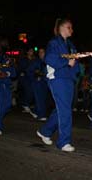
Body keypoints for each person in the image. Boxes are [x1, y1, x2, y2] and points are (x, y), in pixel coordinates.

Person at [36, 18, 79, 152]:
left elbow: (74, 62)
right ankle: (63, 142)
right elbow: (49, 59)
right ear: (61, 28)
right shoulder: (54, 42)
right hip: (57, 78)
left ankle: (45, 131)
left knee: (63, 108)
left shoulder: (71, 44)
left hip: (68, 78)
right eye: (69, 27)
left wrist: (74, 69)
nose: (71, 30)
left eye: (71, 27)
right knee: (65, 110)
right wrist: (67, 63)